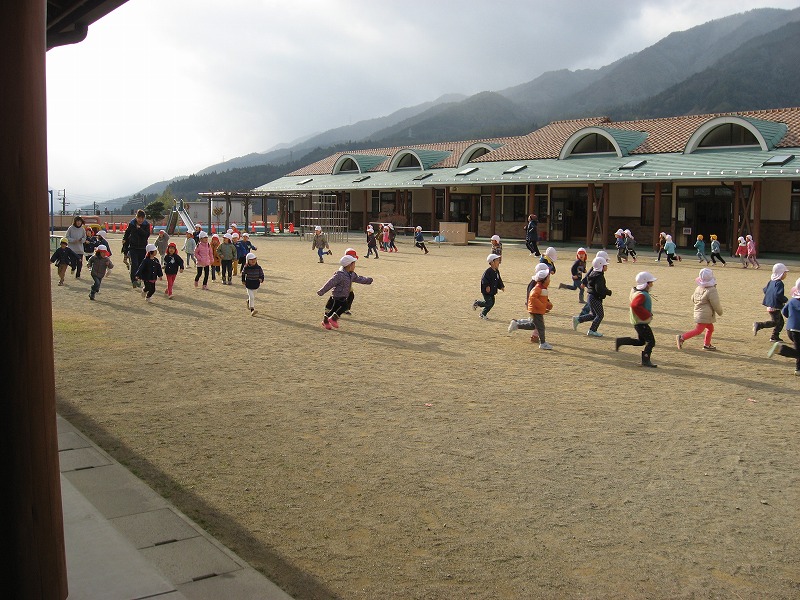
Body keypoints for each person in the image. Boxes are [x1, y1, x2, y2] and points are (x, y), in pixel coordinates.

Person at [317, 254, 373, 330]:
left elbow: (359, 279)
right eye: (354, 264)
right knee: (345, 306)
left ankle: (325, 321)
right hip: (338, 294)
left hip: (344, 294)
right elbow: (330, 283)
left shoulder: (352, 274)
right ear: (349, 265)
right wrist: (322, 291)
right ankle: (333, 319)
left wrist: (368, 280)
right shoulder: (340, 274)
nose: (355, 266)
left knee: (334, 309)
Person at [615, 271, 658, 368]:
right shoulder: (641, 294)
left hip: (638, 322)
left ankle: (621, 341)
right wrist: (647, 314)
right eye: (651, 282)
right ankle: (646, 360)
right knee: (651, 341)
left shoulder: (637, 292)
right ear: (646, 283)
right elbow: (635, 305)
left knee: (641, 341)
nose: (652, 285)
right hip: (641, 322)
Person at [676, 268, 724, 351]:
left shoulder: (698, 288)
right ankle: (682, 337)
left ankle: (707, 344)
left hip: (699, 312)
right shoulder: (712, 290)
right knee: (698, 330)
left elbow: (693, 298)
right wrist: (720, 312)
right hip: (706, 315)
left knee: (710, 328)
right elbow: (716, 303)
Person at [767, 277, 800, 376]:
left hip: (790, 329)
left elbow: (785, 312)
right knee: (798, 351)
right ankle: (781, 349)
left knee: (798, 350)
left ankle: (798, 369)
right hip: (799, 330)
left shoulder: (791, 301)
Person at [572, 255, 611, 337]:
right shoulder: (599, 276)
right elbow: (599, 289)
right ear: (601, 266)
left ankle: (578, 319)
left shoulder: (594, 273)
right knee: (600, 315)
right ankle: (592, 330)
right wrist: (607, 292)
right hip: (595, 297)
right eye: (605, 265)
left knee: (594, 315)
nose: (606, 267)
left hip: (591, 297)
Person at [753, 263, 789, 343]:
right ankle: (759, 325)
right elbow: (778, 295)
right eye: (785, 273)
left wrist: (770, 298)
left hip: (770, 305)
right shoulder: (779, 283)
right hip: (774, 306)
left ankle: (774, 337)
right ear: (781, 273)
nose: (786, 275)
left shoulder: (771, 281)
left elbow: (765, 290)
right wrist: (786, 300)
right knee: (775, 322)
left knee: (780, 322)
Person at [122, 209, 151, 289]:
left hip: (142, 247)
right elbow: (127, 232)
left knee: (141, 265)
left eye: (142, 218)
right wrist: (124, 239)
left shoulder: (146, 225)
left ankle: (139, 279)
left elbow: (146, 235)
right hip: (133, 247)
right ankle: (134, 280)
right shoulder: (132, 224)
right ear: (136, 217)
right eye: (139, 218)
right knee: (134, 264)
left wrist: (139, 229)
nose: (140, 220)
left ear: (144, 218)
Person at [472, 253, 504, 320]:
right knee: (489, 303)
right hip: (486, 291)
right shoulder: (488, 271)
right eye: (497, 260)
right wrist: (487, 286)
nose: (499, 262)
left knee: (492, 303)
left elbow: (499, 279)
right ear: (492, 262)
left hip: (492, 291)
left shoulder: (496, 271)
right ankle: (477, 303)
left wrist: (501, 286)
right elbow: (484, 279)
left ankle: (483, 314)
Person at [241, 252, 265, 316]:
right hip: (248, 284)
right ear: (248, 261)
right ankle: (252, 309)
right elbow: (243, 273)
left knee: (252, 297)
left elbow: (261, 274)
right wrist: (243, 280)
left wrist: (261, 279)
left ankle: (249, 301)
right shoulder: (246, 267)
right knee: (252, 297)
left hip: (256, 284)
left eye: (254, 259)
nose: (253, 261)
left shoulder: (258, 268)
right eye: (251, 260)